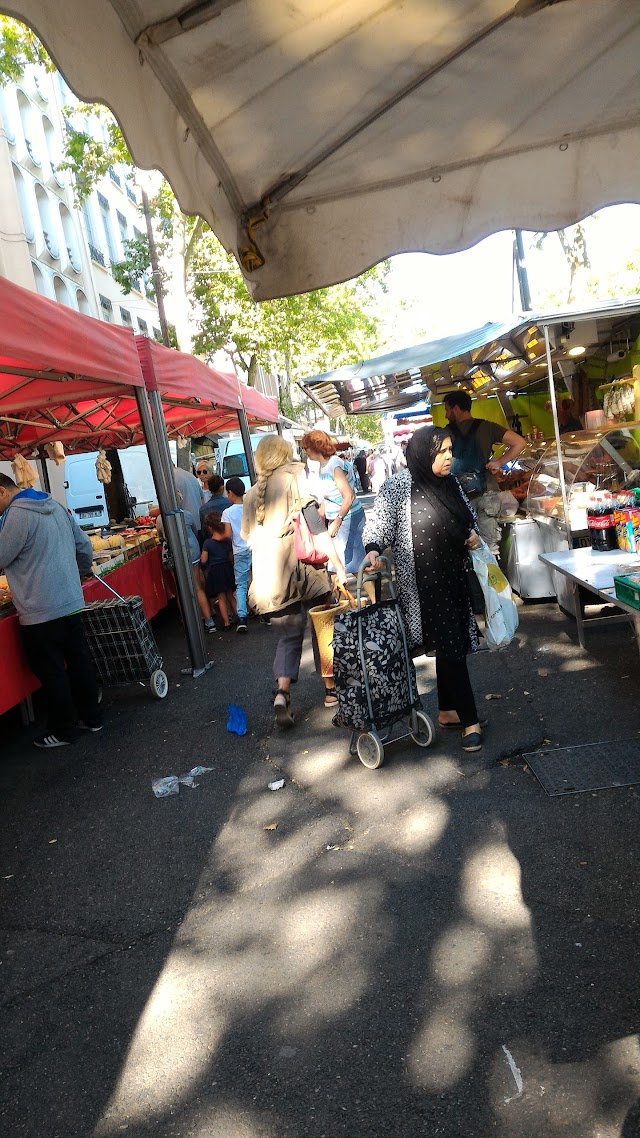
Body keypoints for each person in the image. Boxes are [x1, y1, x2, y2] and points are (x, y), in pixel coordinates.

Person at [363, 426, 485, 753]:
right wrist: (373, 551)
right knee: (452, 649)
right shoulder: (398, 487)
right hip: (422, 586)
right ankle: (470, 720)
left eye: (450, 450)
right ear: (423, 454)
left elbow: (468, 519)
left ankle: (447, 711)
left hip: (454, 579)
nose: (449, 457)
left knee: (452, 645)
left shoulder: (450, 484)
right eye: (442, 452)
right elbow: (377, 526)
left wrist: (471, 535)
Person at [241, 435, 345, 727]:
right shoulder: (296, 477)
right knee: (323, 629)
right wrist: (338, 565)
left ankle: (281, 693)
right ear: (285, 453)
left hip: (269, 577)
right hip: (305, 568)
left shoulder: (251, 495)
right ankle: (331, 691)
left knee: (287, 637)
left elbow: (248, 539)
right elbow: (316, 526)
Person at [0, 472, 101, 748]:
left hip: (40, 608)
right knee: (79, 661)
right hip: (70, 601)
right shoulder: (55, 504)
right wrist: (79, 573)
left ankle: (64, 730)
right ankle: (92, 718)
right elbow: (84, 546)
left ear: (1, 492)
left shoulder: (17, 515)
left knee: (51, 670)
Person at [443, 391, 526, 555]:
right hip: (487, 494)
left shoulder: (444, 433)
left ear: (457, 409)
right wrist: (498, 463)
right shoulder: (487, 427)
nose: (446, 415)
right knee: (489, 549)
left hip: (458, 498)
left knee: (463, 550)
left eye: (447, 410)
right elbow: (520, 442)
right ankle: (490, 579)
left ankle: (472, 580)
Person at [300, 430, 366, 575]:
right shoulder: (324, 466)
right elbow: (327, 499)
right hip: (341, 518)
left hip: (347, 518)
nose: (305, 452)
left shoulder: (333, 464)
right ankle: (372, 597)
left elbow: (348, 496)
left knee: (339, 566)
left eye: (306, 448)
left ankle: (371, 597)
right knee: (350, 564)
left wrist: (337, 521)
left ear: (315, 446)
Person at [155, 495, 215, 632]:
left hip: (173, 554)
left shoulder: (160, 519)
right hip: (191, 551)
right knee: (197, 587)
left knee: (180, 590)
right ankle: (209, 620)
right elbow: (194, 530)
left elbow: (160, 537)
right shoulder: (187, 515)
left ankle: (187, 622)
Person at [221, 477, 251, 634]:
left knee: (241, 584)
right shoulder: (249, 507)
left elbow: (227, 534)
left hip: (239, 550)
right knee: (256, 580)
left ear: (230, 493)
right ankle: (263, 612)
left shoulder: (227, 513)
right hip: (255, 547)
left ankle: (242, 617)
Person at [201, 512, 237, 629]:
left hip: (215, 571)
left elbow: (203, 560)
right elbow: (231, 557)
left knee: (221, 598)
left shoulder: (208, 543)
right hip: (226, 568)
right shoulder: (226, 541)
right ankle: (239, 617)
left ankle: (226, 622)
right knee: (231, 595)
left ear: (210, 528)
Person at [173, 462, 203, 527]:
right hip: (199, 519)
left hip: (185, 523)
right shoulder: (190, 475)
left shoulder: (170, 478)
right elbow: (202, 498)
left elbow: (170, 505)